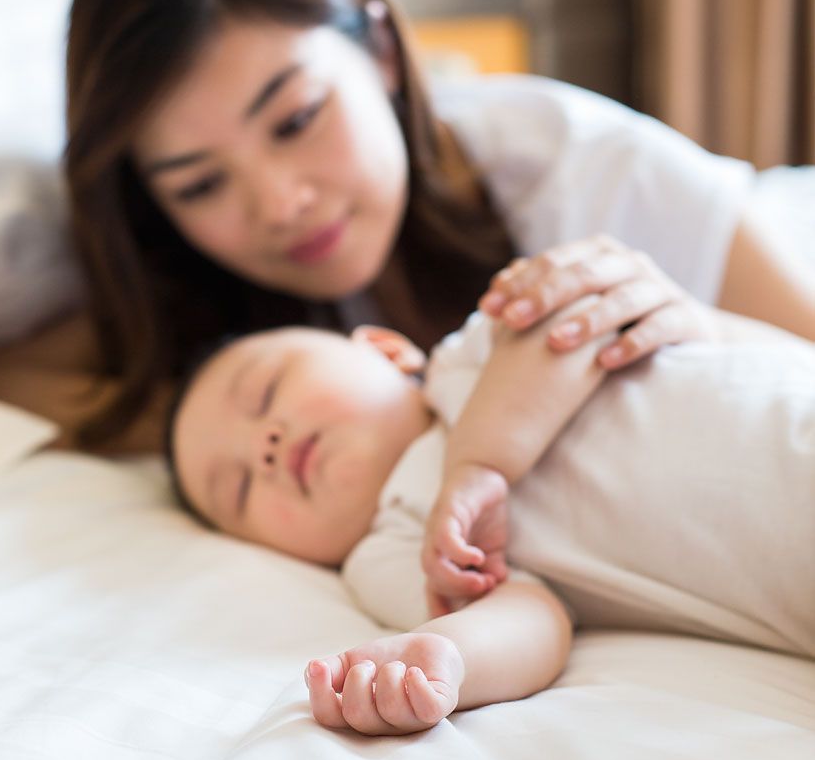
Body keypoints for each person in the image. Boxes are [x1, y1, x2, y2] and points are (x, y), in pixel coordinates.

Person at [0, 0, 813, 451]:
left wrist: (694, 329)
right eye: (199, 183)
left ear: (378, 49)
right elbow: (16, 369)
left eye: (297, 120)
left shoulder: (583, 168)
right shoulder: (185, 286)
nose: (281, 203)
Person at [167, 300, 815, 737]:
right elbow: (532, 616)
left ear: (390, 351)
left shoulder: (481, 352)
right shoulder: (395, 551)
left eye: (265, 392)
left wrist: (480, 462)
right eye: (240, 487)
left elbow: (573, 333)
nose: (263, 447)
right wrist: (446, 659)